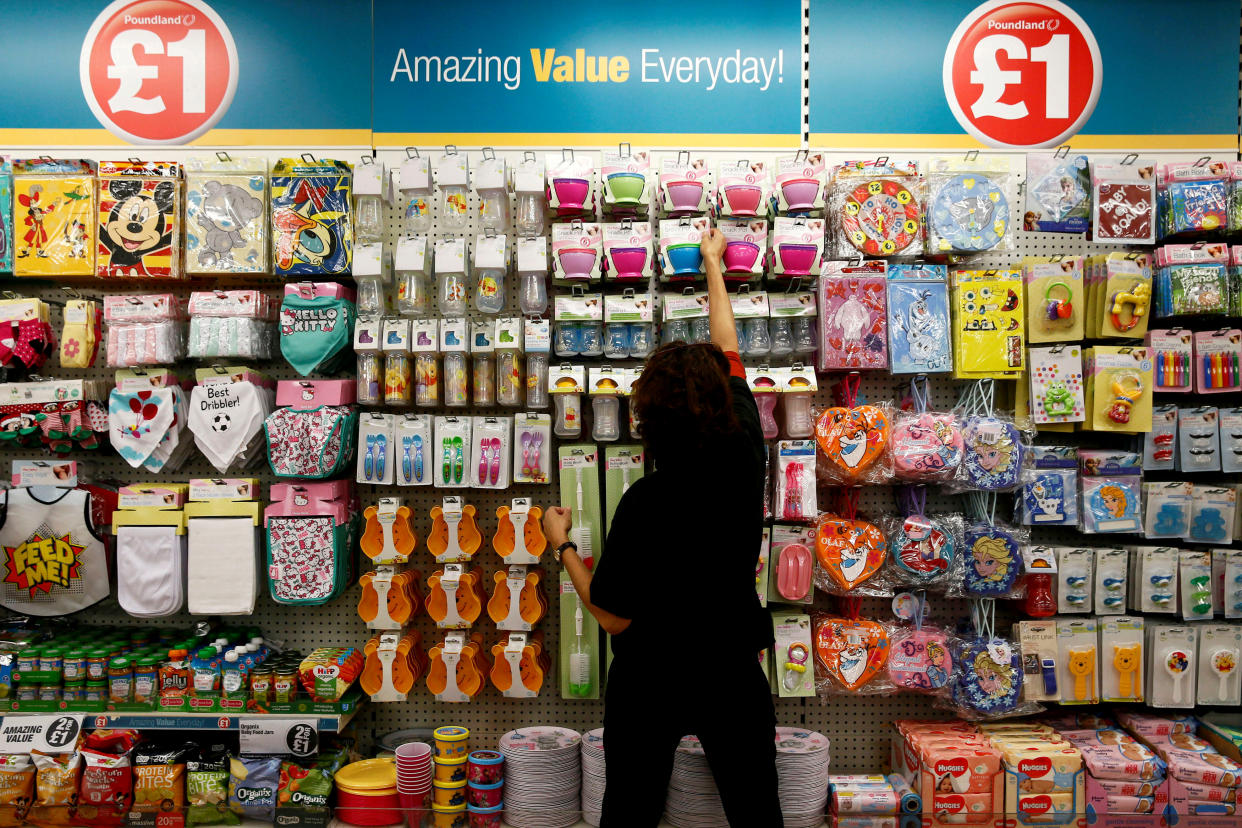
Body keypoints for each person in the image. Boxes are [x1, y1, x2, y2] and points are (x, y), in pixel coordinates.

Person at [542, 228, 782, 827]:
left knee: (630, 810)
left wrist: (562, 543)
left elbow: (611, 615)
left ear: (646, 421)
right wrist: (712, 267)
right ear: (724, 405)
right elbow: (729, 352)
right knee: (757, 811)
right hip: (730, 665)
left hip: (650, 677)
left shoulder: (644, 502)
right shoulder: (747, 456)